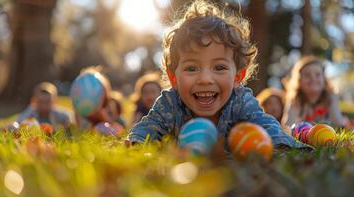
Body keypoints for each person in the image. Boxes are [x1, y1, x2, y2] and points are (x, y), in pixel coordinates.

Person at [127, 0, 307, 150]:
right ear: (173, 77)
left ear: (238, 76)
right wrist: (136, 143)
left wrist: (287, 147)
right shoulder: (169, 104)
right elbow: (146, 128)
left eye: (219, 67)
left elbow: (266, 125)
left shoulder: (240, 101)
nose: (205, 79)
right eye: (191, 68)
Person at [282, 56, 347, 128]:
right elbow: (287, 125)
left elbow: (338, 123)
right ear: (299, 81)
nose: (313, 78)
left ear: (324, 79)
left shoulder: (330, 98)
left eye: (318, 75)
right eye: (307, 75)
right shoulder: (295, 99)